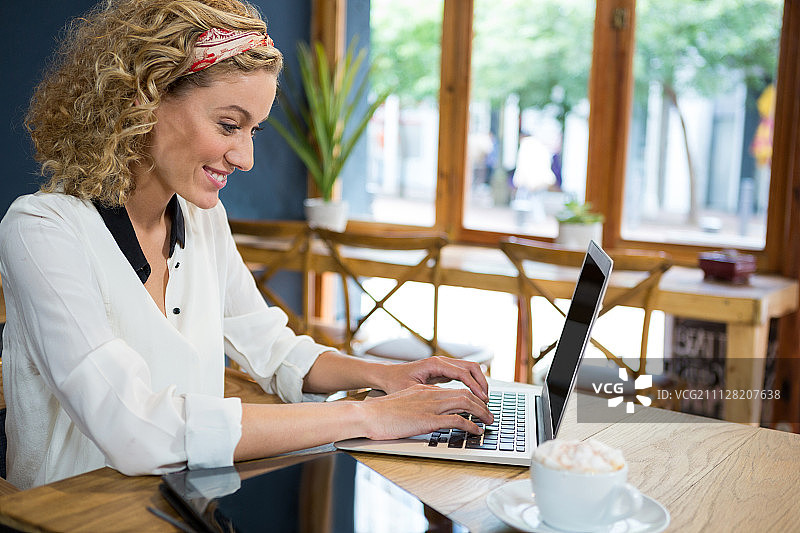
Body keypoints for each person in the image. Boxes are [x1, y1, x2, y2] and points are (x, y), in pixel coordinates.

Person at [0, 0, 492, 490]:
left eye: (253, 130)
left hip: (184, 507)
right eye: (229, 125)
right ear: (142, 99)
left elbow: (274, 350)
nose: (246, 157)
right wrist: (369, 417)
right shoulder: (42, 230)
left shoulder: (201, 218)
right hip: (73, 517)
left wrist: (389, 377)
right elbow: (136, 429)